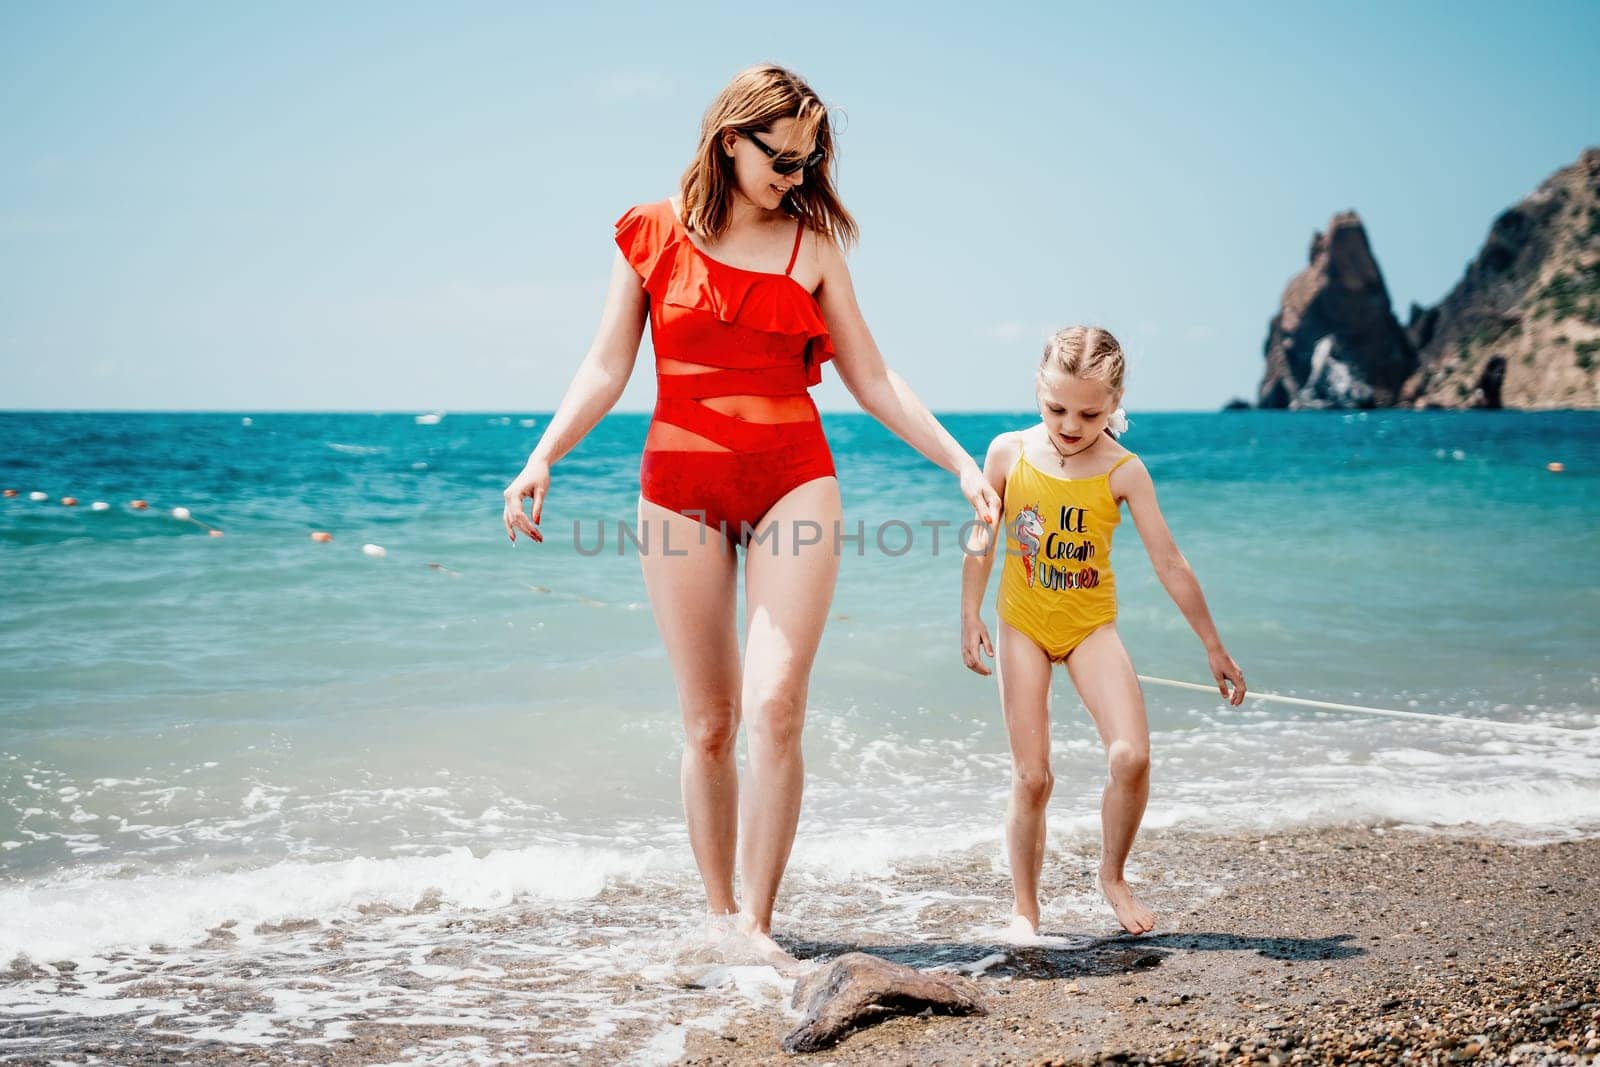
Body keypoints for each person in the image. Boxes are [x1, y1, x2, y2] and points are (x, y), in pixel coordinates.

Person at [502, 64, 1000, 963]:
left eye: (809, 162)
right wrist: (543, 456)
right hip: (678, 491)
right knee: (709, 723)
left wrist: (962, 462)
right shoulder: (650, 233)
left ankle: (761, 931)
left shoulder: (812, 247)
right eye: (782, 158)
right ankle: (718, 916)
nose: (796, 176)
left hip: (792, 481)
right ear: (729, 139)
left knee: (775, 707)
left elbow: (873, 376)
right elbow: (607, 367)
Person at [959, 325, 1245, 936]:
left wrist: (1213, 646)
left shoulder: (1124, 470)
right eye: (1056, 407)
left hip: (1091, 626)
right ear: (1039, 389)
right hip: (1023, 626)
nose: (1070, 423)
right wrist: (969, 613)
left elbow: (1170, 562)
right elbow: (982, 537)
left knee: (1132, 756)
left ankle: (1112, 876)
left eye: (1089, 412)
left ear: (1115, 404)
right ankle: (1026, 909)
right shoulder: (1008, 452)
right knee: (1033, 777)